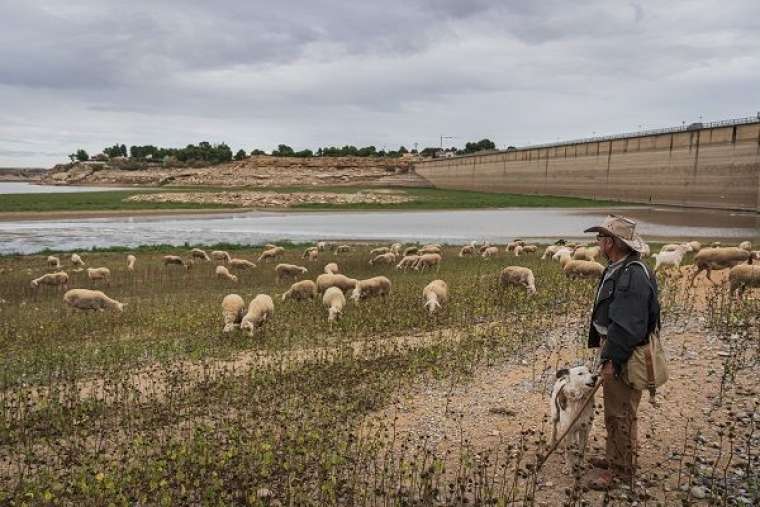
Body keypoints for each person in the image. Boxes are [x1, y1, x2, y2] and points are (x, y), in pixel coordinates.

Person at [583, 215, 660, 489]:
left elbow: (628, 324)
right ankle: (615, 455)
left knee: (620, 411)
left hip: (624, 354)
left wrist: (612, 360)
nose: (598, 243)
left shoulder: (631, 275)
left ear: (611, 242)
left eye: (601, 238)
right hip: (616, 347)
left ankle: (621, 470)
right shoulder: (621, 267)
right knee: (617, 408)